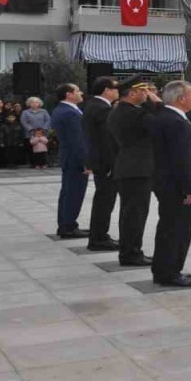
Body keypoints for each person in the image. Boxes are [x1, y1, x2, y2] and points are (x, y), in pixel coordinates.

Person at [148, 80, 191, 287]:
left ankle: (165, 269)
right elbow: (181, 159)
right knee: (176, 230)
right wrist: (190, 188)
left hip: (167, 184)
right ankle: (169, 272)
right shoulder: (175, 122)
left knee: (169, 228)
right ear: (182, 98)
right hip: (176, 187)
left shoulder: (167, 117)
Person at [108, 77, 161, 266]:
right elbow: (160, 123)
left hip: (130, 167)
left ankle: (130, 251)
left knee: (131, 214)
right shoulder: (131, 114)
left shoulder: (122, 111)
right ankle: (131, 254)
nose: (147, 94)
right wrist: (158, 104)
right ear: (132, 93)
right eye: (143, 91)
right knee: (135, 215)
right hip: (136, 169)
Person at [83, 76, 121, 252]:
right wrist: (112, 164)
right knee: (105, 201)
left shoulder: (94, 105)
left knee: (103, 200)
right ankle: (98, 239)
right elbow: (107, 141)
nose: (117, 92)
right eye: (115, 88)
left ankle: (100, 235)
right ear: (106, 90)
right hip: (105, 163)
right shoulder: (102, 109)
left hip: (99, 161)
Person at [51, 83, 88, 238]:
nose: (81, 93)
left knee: (68, 192)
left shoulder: (65, 109)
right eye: (77, 91)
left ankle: (67, 224)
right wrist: (85, 162)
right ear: (69, 94)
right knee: (73, 193)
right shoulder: (69, 113)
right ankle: (68, 227)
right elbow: (77, 141)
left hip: (69, 157)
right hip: (74, 159)